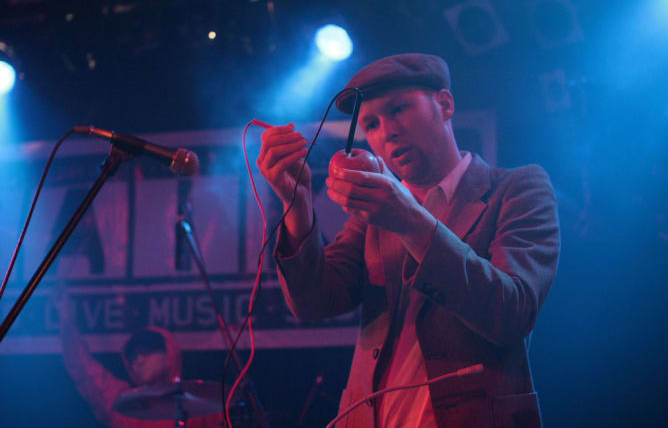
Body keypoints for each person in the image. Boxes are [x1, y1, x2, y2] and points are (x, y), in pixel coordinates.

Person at [256, 53, 560, 427]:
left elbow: (511, 313)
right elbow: (314, 302)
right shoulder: (373, 215)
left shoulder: (516, 188)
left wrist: (409, 219)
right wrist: (298, 204)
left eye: (398, 109)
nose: (387, 131)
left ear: (444, 104)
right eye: (370, 123)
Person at [59, 295, 223, 427]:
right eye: (133, 356)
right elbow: (84, 369)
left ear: (169, 353)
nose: (138, 360)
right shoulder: (121, 403)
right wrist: (66, 320)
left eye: (146, 351)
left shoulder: (202, 406)